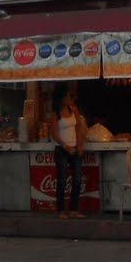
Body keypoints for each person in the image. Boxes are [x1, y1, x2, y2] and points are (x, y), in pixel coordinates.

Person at [52, 87, 88, 217]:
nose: (68, 99)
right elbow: (55, 133)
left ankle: (73, 209)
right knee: (61, 180)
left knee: (77, 180)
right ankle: (61, 210)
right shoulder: (56, 114)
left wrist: (80, 144)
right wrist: (65, 146)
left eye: (69, 97)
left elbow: (79, 127)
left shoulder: (73, 110)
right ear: (60, 99)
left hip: (74, 148)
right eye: (66, 97)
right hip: (62, 149)